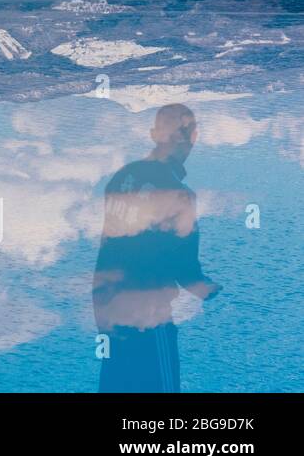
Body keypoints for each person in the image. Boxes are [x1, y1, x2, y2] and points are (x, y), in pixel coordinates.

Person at [93, 104, 221, 392]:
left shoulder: (122, 178)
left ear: (154, 134)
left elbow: (111, 243)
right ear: (194, 137)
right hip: (148, 319)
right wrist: (212, 290)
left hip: (109, 311)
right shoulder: (180, 195)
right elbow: (188, 274)